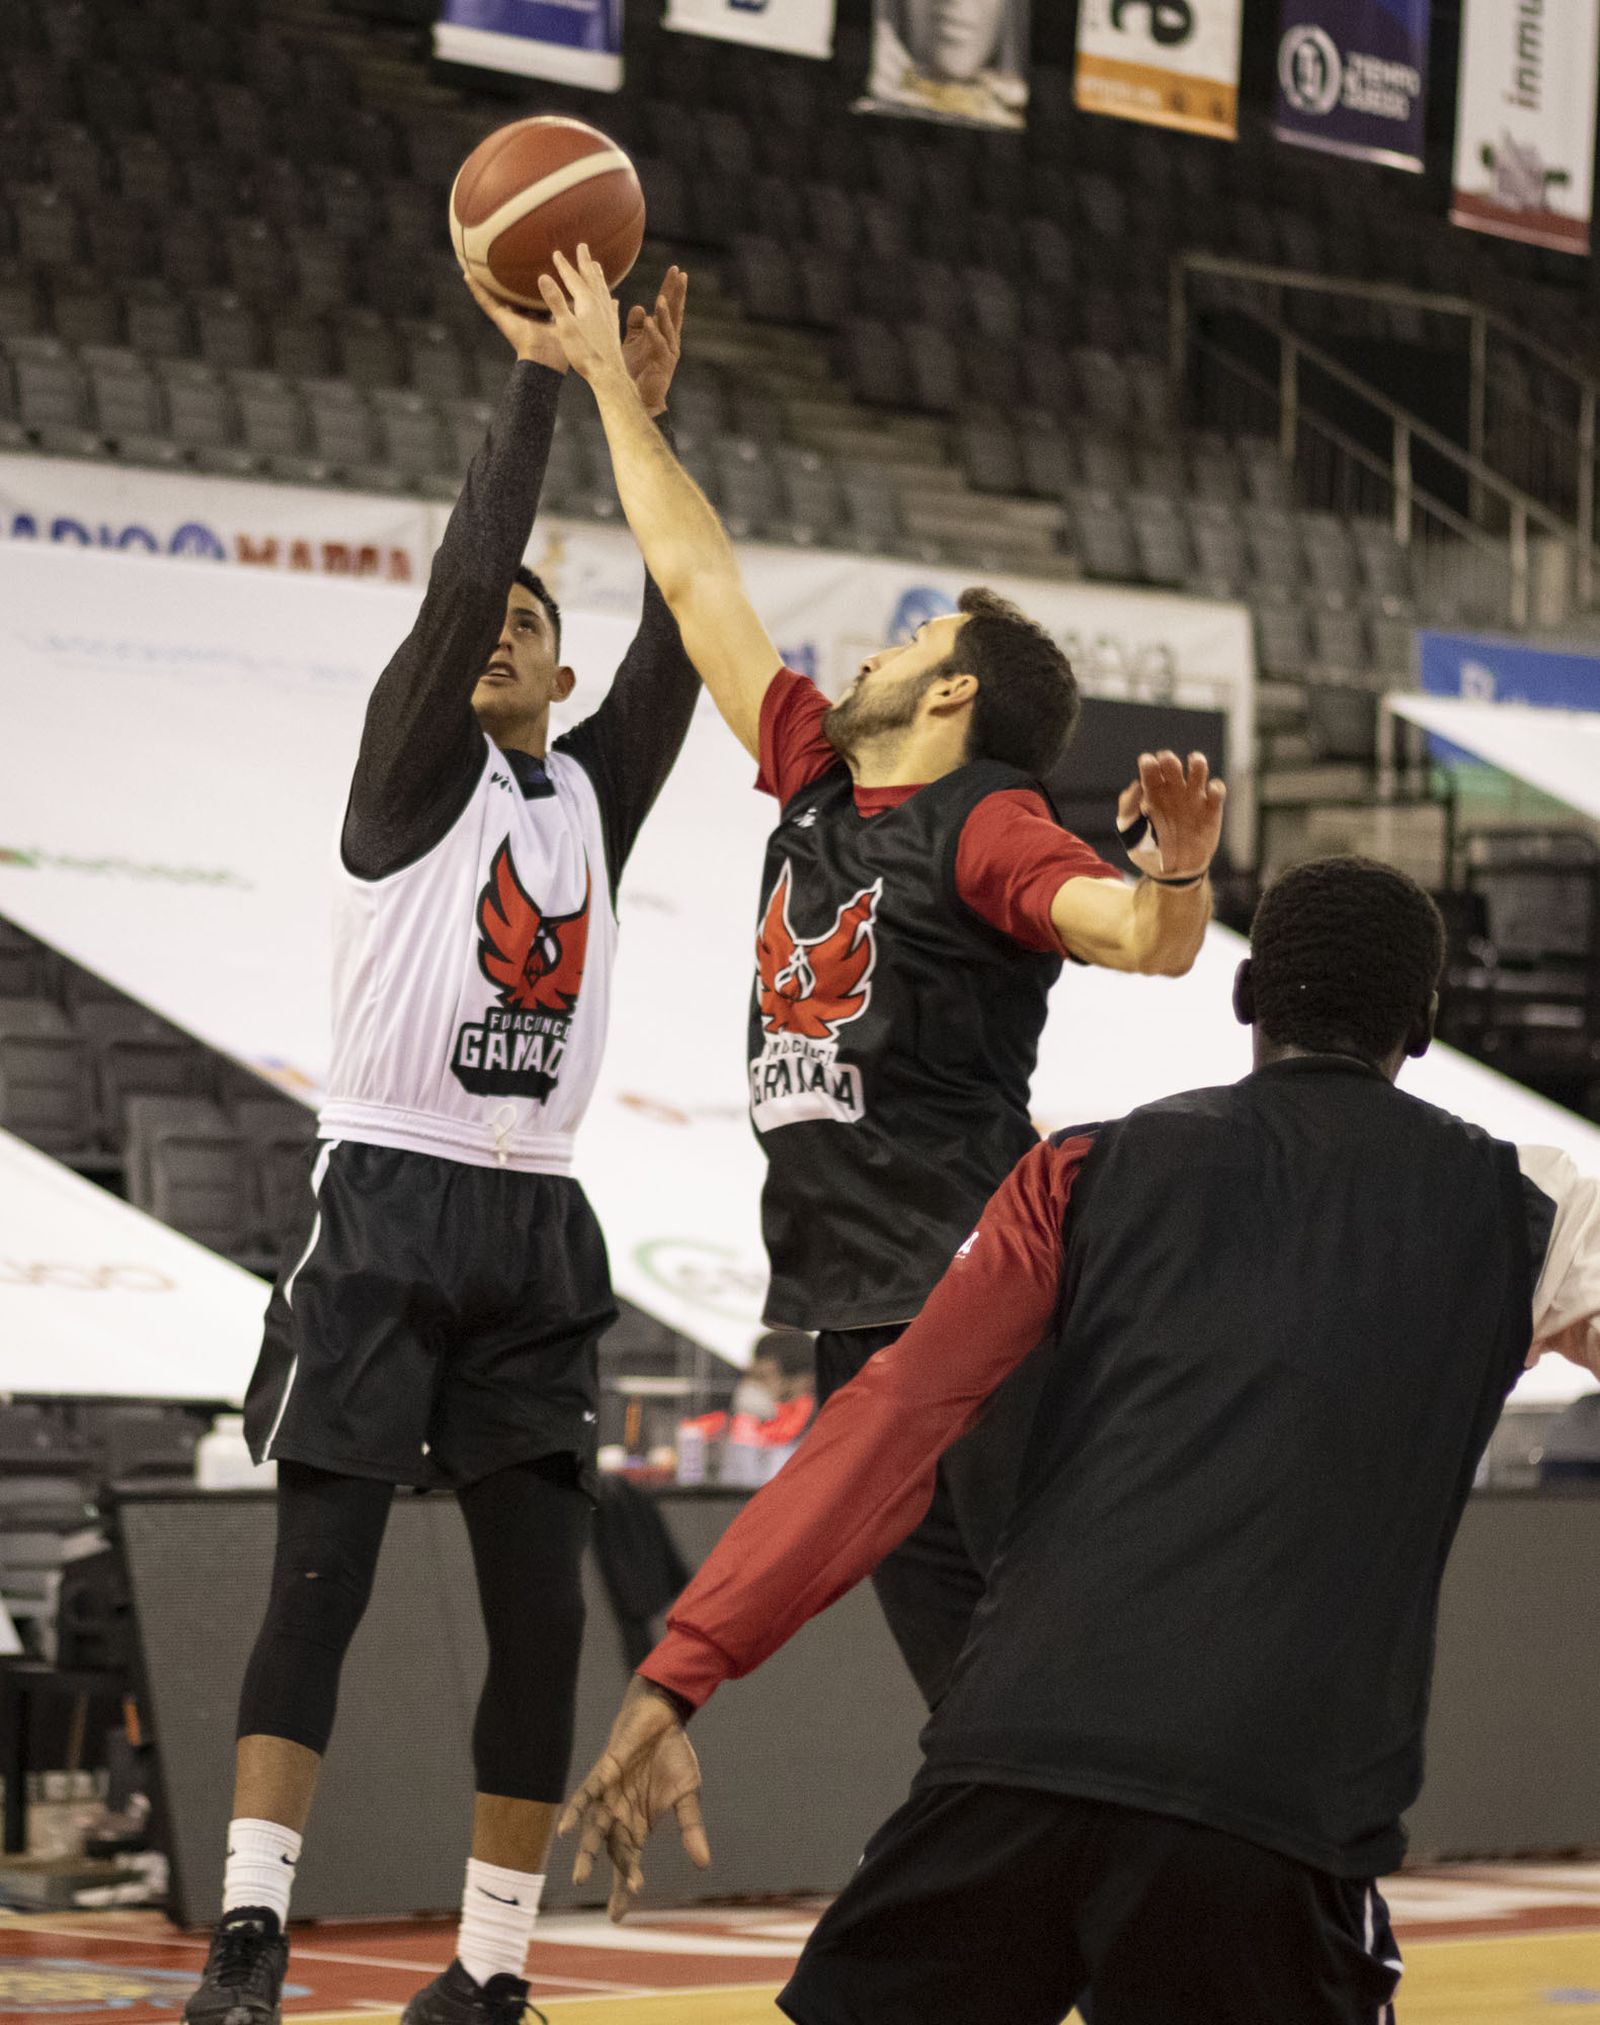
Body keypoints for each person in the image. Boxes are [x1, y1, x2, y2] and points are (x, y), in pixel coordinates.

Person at [560, 855, 1600, 2024]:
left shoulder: (1080, 1169)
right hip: (1262, 1800)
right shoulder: (1529, 1207)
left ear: (1246, 996)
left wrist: (679, 1670)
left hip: (1006, 1763)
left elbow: (888, 1424)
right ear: (1425, 1021)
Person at [537, 244, 1227, 1711]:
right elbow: (695, 575)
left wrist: (1174, 874)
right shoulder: (817, 779)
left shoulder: (985, 821)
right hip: (863, 1317)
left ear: (954, 694)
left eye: (910, 639)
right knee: (973, 1712)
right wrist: (615, 388)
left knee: (1065, 1679)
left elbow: (1141, 941)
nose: (872, 649)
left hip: (982, 1308)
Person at [181, 268, 699, 2025]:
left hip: (539, 1225)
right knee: (317, 1583)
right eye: (484, 617)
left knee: (540, 1623)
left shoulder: (593, 799)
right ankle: (253, 1931)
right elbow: (475, 564)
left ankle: (488, 1973)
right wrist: (550, 384)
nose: (501, 629)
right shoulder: (409, 772)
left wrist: (649, 414)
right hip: (389, 1195)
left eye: (532, 625)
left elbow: (683, 642)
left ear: (559, 670)